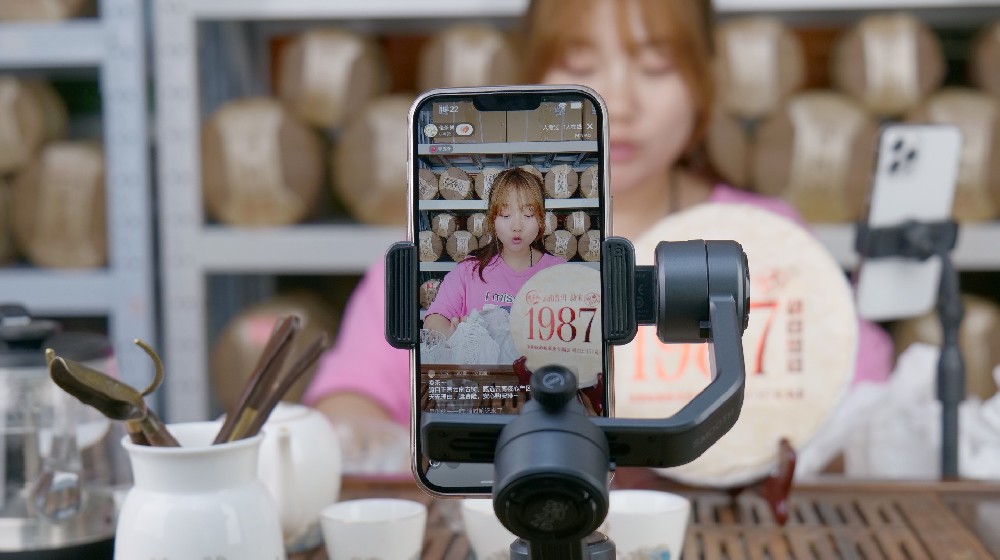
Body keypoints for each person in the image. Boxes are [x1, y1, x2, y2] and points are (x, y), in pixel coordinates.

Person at [303, 0, 893, 453]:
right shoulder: (446, 249)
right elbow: (348, 402)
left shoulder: (765, 241)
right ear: (531, 75)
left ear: (704, 82)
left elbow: (861, 395)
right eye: (581, 65)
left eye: (657, 65)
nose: (620, 100)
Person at [423, 167, 566, 338]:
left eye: (528, 215)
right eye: (505, 215)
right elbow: (434, 319)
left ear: (541, 220)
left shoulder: (560, 272)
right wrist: (454, 333)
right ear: (492, 219)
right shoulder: (468, 271)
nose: (517, 226)